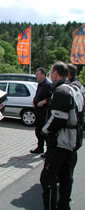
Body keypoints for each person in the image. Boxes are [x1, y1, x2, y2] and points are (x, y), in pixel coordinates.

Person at [40, 61, 81, 210]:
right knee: (65, 177)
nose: (50, 75)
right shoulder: (74, 88)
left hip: (60, 142)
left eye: (51, 72)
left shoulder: (61, 91)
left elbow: (58, 119)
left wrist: (44, 130)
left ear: (56, 73)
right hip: (70, 143)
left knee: (47, 179)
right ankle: (64, 206)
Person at [30, 67, 52, 156]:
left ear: (43, 75)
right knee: (38, 131)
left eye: (38, 74)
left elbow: (52, 97)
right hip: (38, 111)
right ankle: (40, 147)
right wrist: (34, 100)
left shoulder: (48, 84)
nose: (36, 76)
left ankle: (49, 150)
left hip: (45, 112)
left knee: (44, 131)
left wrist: (44, 101)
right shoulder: (40, 84)